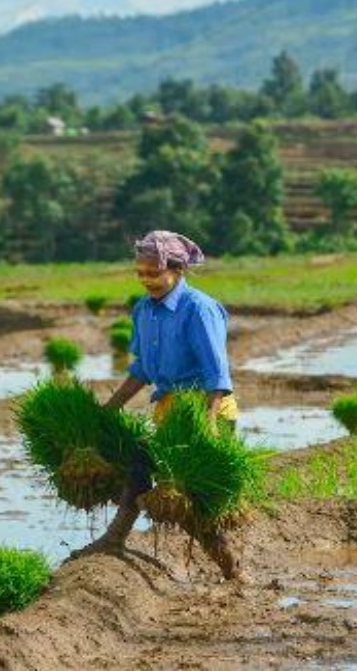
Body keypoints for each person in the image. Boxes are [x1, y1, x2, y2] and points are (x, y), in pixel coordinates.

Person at [75, 230, 245, 581]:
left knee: (191, 494)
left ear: (177, 269)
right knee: (141, 461)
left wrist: (207, 424)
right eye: (140, 273)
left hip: (208, 410)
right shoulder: (144, 311)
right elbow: (142, 370)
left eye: (154, 272)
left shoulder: (199, 309)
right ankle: (114, 538)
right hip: (170, 409)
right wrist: (110, 408)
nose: (146, 280)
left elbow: (217, 373)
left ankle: (233, 568)